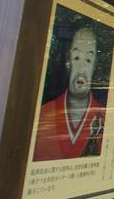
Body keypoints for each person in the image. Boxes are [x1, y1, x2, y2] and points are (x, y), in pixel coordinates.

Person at [32, 26, 106, 161]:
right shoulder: (43, 114)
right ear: (68, 61)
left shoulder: (103, 118)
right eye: (77, 57)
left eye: (88, 60)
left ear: (94, 66)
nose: (81, 69)